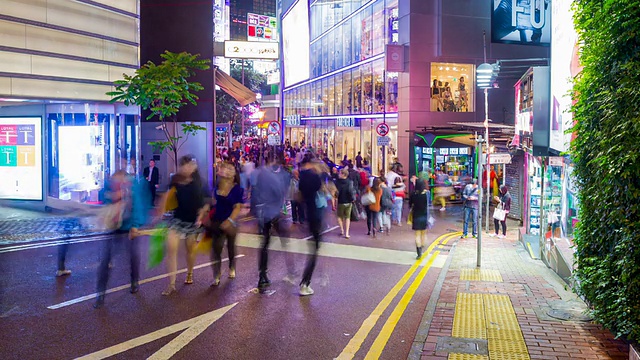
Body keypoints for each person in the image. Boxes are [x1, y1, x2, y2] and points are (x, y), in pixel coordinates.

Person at [94, 158, 150, 308]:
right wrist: (110, 198)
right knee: (105, 259)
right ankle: (101, 294)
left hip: (129, 225)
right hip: (113, 225)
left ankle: (134, 281)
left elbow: (137, 205)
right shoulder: (110, 183)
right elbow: (103, 197)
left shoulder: (132, 184)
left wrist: (135, 225)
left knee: (133, 255)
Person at [158, 155, 209, 295]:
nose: (186, 168)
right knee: (171, 247)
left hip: (193, 221)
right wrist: (162, 210)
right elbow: (167, 196)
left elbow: (205, 204)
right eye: (183, 165)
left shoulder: (200, 183)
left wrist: (200, 217)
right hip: (178, 219)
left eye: (189, 165)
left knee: (190, 249)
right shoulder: (175, 180)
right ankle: (172, 284)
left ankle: (190, 273)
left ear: (194, 167)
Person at [253, 154, 296, 292]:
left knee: (268, 244)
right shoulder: (281, 175)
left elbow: (256, 193)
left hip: (270, 213)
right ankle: (287, 272)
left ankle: (265, 274)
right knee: (280, 242)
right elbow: (281, 193)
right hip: (274, 213)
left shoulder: (264, 174)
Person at [209, 162, 243, 286]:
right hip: (217, 220)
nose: (226, 171)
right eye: (225, 169)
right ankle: (216, 275)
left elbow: (237, 207)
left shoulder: (237, 189)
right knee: (216, 249)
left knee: (230, 247)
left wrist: (229, 221)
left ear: (234, 174)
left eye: (230, 169)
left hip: (230, 222)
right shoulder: (217, 185)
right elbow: (213, 202)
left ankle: (231, 266)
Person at [297, 158, 325, 296]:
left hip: (309, 212)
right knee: (314, 250)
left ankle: (305, 282)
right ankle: (305, 283)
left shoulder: (302, 177)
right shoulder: (313, 176)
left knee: (314, 249)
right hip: (315, 213)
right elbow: (320, 187)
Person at [409, 179, 430, 259]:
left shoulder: (413, 194)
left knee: (417, 234)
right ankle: (422, 245)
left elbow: (410, 205)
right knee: (423, 233)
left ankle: (419, 252)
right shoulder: (426, 194)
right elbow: (429, 204)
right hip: (424, 215)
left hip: (416, 215)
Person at [334, 168, 356, 238]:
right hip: (348, 202)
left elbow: (335, 193)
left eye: (340, 173)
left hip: (340, 201)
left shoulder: (337, 182)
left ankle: (342, 230)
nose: (338, 174)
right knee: (347, 217)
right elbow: (351, 191)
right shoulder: (350, 182)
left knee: (339, 217)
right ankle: (347, 233)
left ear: (343, 174)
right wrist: (352, 199)